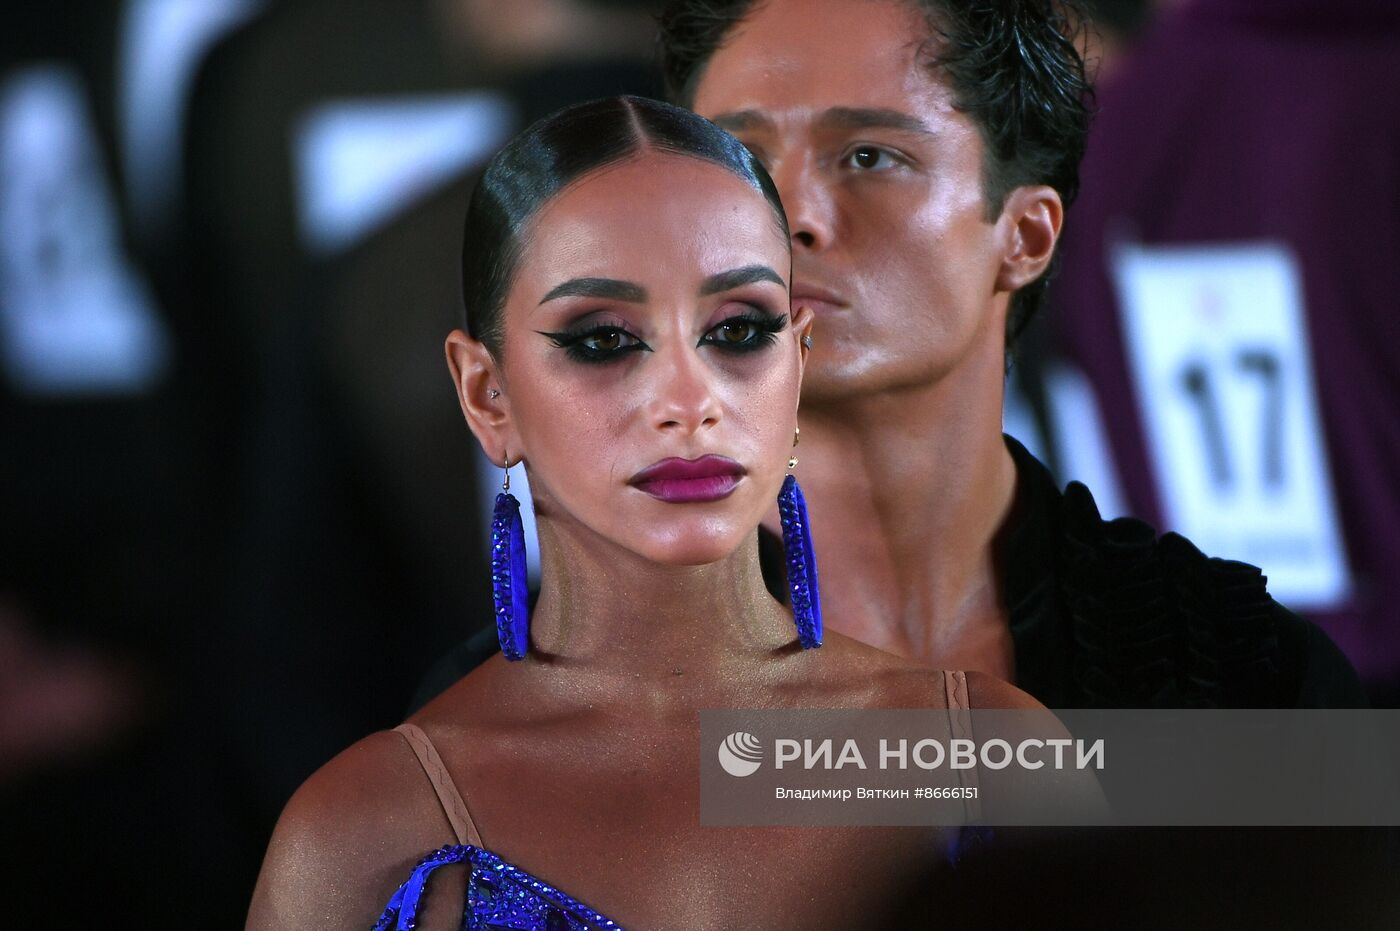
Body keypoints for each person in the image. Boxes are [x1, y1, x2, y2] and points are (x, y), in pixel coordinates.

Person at [246, 96, 1094, 930]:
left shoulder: (991, 755)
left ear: (799, 361)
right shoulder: (361, 833)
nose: (690, 402)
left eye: (738, 330)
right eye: (603, 340)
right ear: (487, 394)